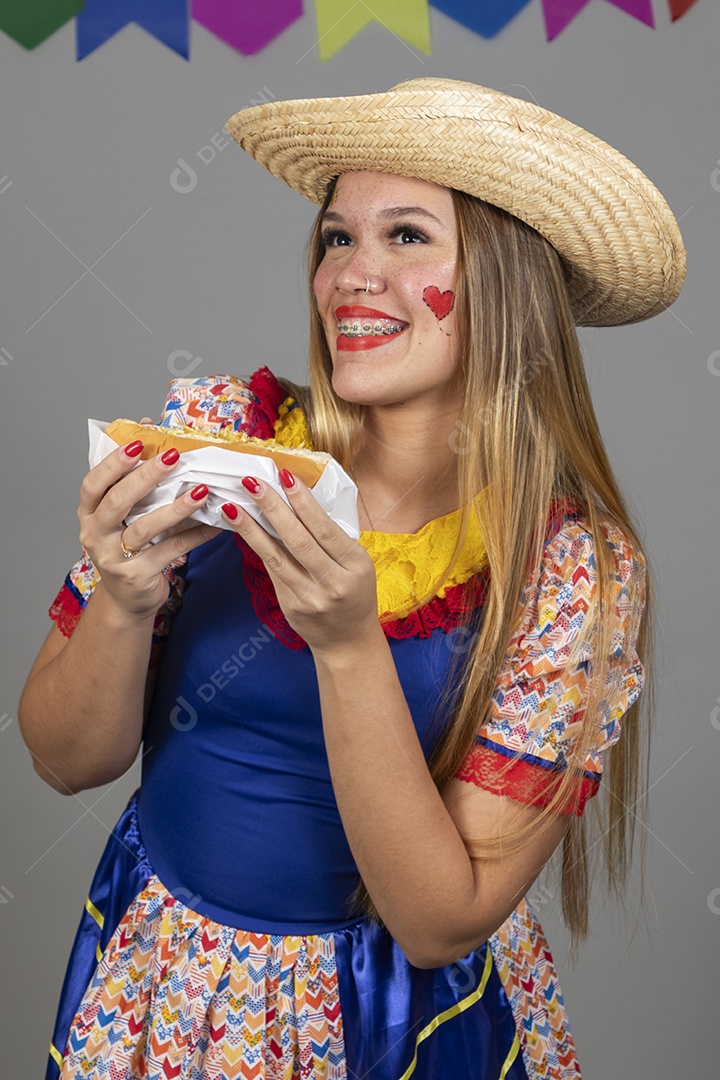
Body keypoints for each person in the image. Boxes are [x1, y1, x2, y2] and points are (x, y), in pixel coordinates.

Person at [19, 78, 685, 1080]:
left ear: (506, 282)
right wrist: (124, 594)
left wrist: (346, 642)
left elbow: (437, 923)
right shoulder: (216, 439)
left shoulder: (570, 572)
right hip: (168, 991)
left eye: (407, 238)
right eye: (337, 239)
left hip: (405, 1028)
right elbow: (64, 760)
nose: (350, 278)